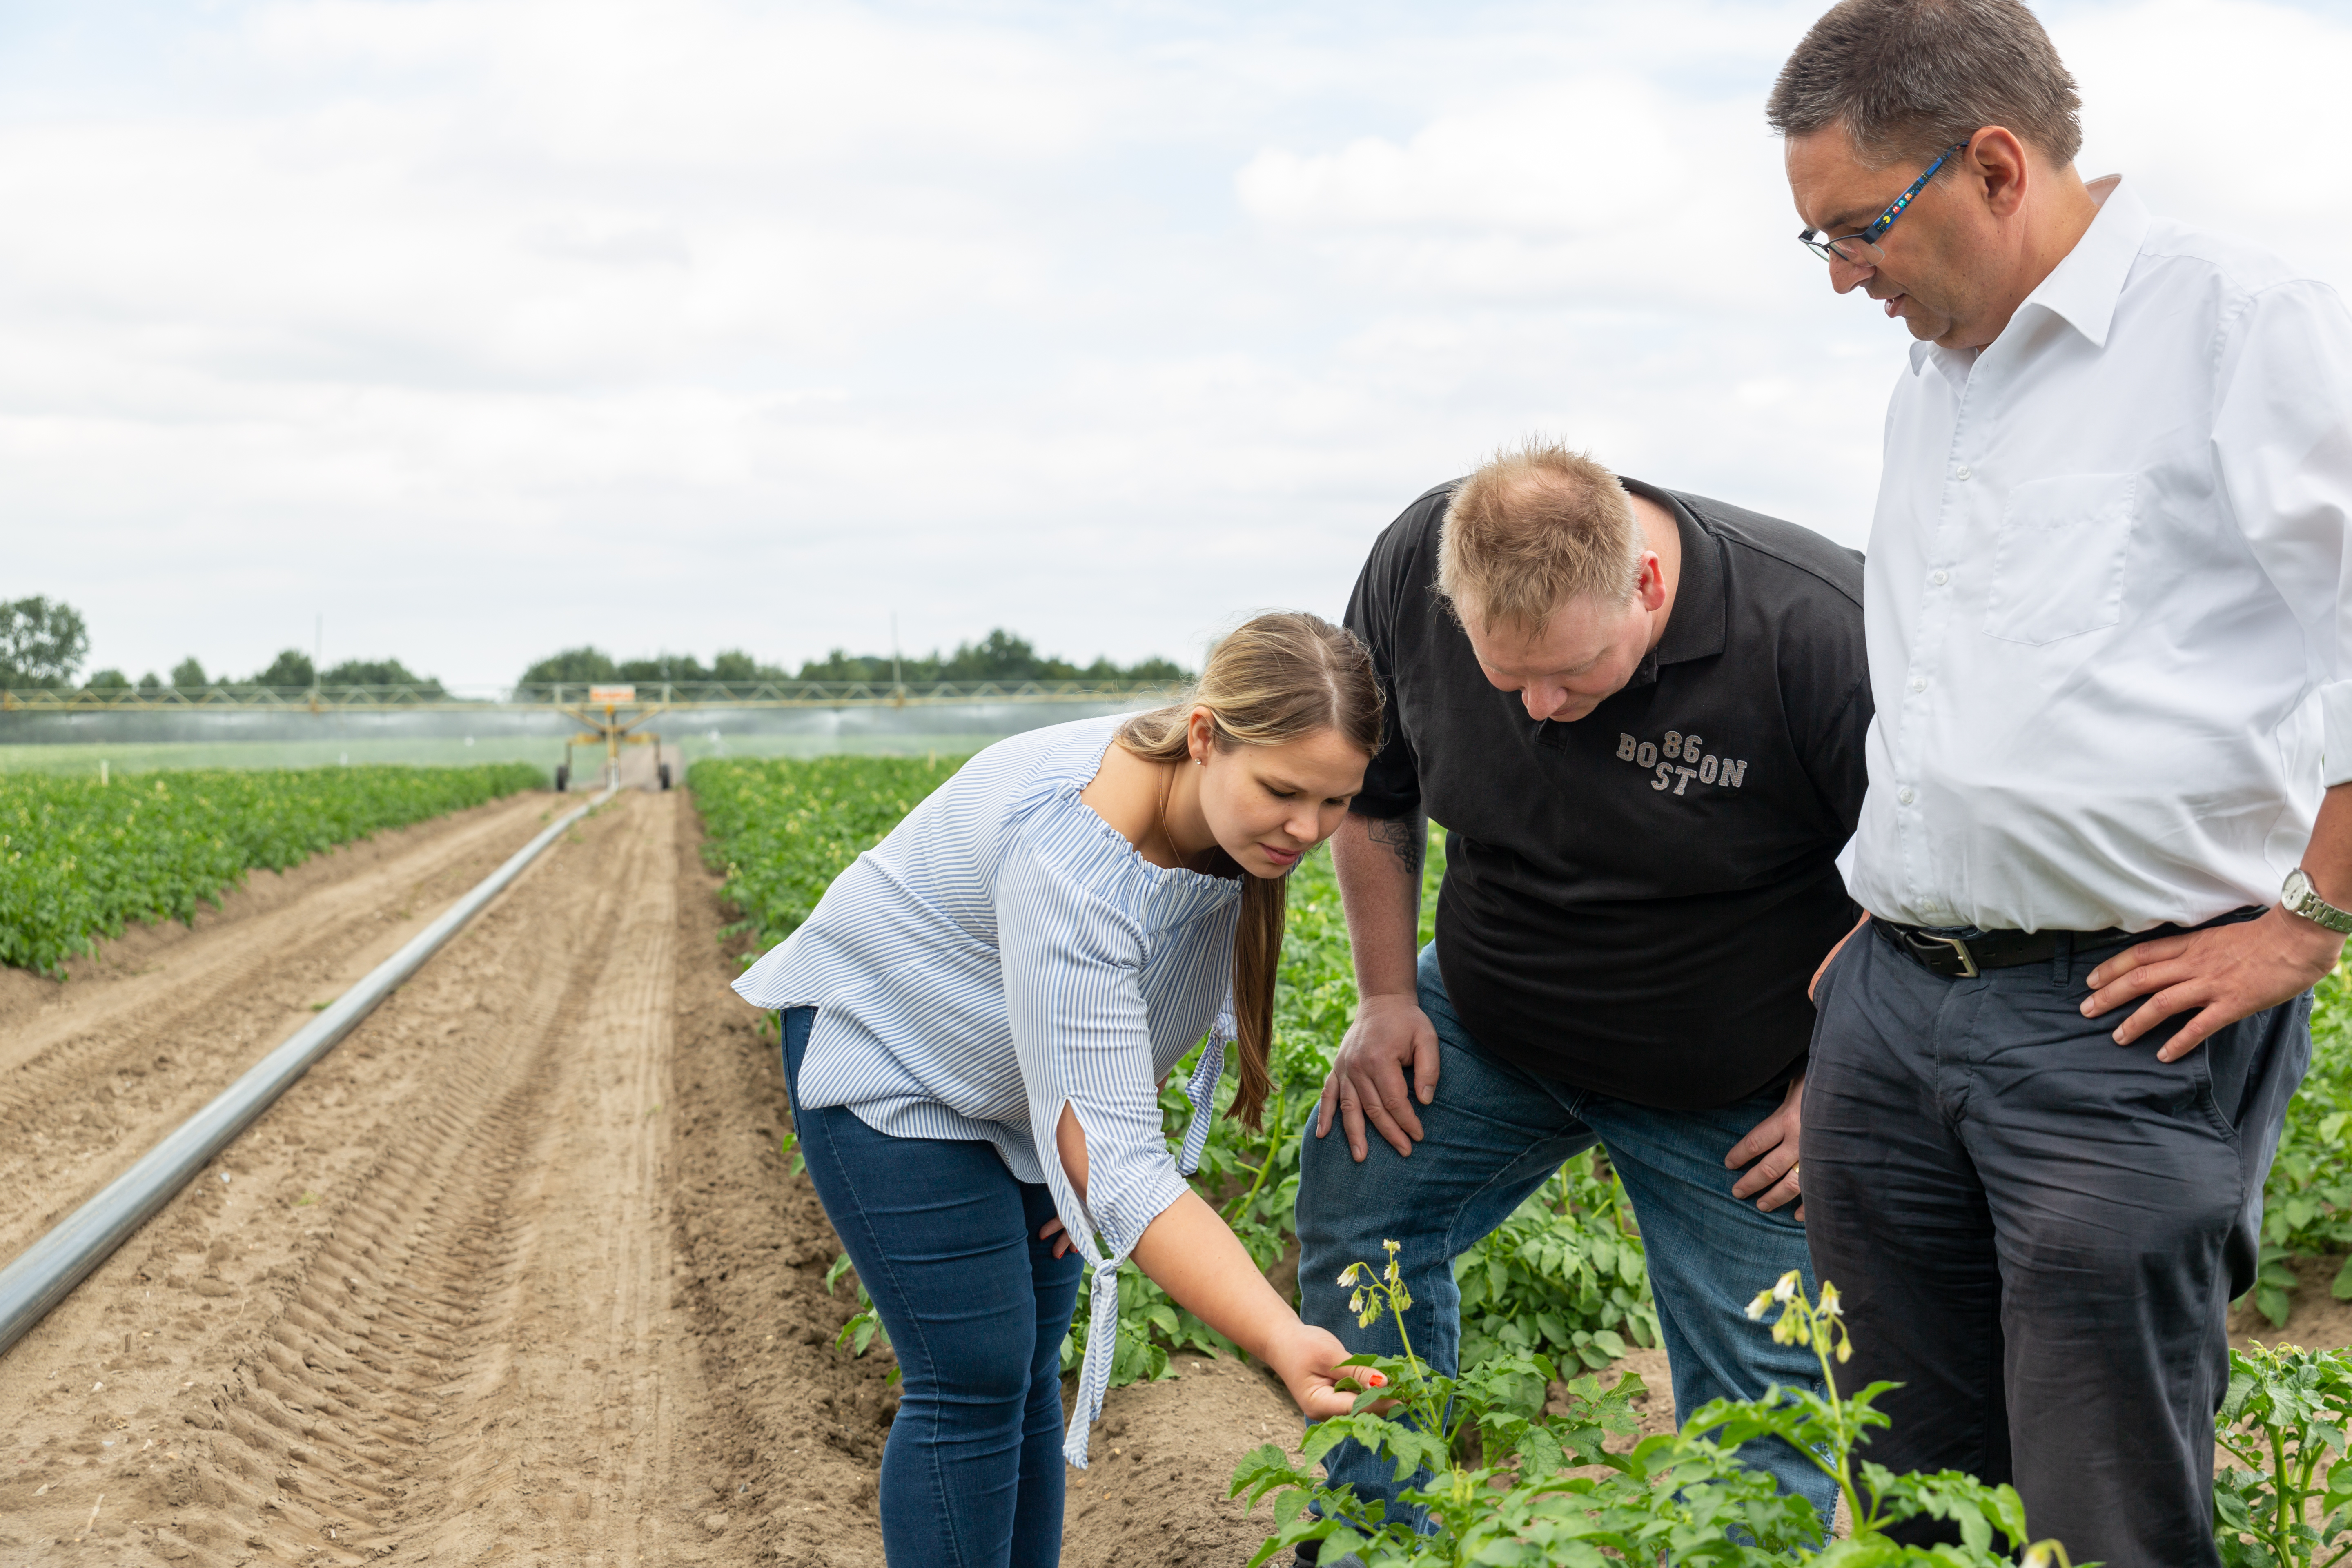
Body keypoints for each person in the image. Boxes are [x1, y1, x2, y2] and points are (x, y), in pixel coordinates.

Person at [1769, 2, 2352, 1562]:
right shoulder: (1941, 368)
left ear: (1999, 166)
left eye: (1857, 230)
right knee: (1907, 1485)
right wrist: (1905, 896)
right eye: (1816, 242)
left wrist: (2309, 918)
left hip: (2119, 1017)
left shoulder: (2242, 324)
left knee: (2108, 1505)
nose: (1843, 277)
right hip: (1897, 1008)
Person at [1294, 437, 1872, 1548]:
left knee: (1763, 1402)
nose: (1544, 708)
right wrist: (1384, 1001)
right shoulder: (1416, 558)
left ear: (1647, 587)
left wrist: (1841, 1078)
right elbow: (1378, 799)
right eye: (1507, 680)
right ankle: (1378, 1535)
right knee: (1359, 1197)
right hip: (1492, 1015)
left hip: (1731, 1078)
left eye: (1573, 674)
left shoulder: (1817, 628)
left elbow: (1918, 884)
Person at [734, 612, 1383, 1568]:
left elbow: (1128, 1017)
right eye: (1285, 793)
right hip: (898, 1057)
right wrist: (1281, 1336)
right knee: (973, 1374)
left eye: (1336, 803)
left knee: (1030, 1366)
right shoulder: (1071, 850)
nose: (1309, 830)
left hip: (1016, 1079)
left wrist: (1070, 1156)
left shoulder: (1214, 815)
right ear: (1205, 737)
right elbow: (1118, 1151)